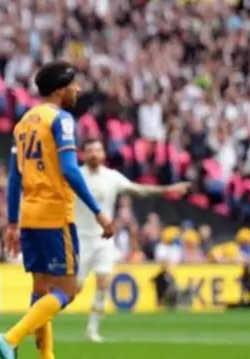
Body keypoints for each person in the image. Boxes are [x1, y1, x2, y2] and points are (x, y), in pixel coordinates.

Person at [0, 61, 114, 359]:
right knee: (68, 291)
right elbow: (71, 170)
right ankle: (11, 337)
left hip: (29, 216)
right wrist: (99, 212)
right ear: (60, 89)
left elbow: (14, 177)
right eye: (73, 84)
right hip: (56, 215)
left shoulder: (23, 123)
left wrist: (11, 223)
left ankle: (46, 356)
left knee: (41, 292)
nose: (78, 89)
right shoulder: (61, 120)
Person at [75, 138, 190, 342]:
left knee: (103, 284)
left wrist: (167, 190)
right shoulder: (75, 175)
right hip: (80, 239)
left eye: (98, 150)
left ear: (103, 154)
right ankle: (41, 317)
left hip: (104, 239)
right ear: (82, 154)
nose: (95, 154)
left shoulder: (112, 177)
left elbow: (139, 189)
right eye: (90, 150)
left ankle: (92, 329)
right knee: (74, 288)